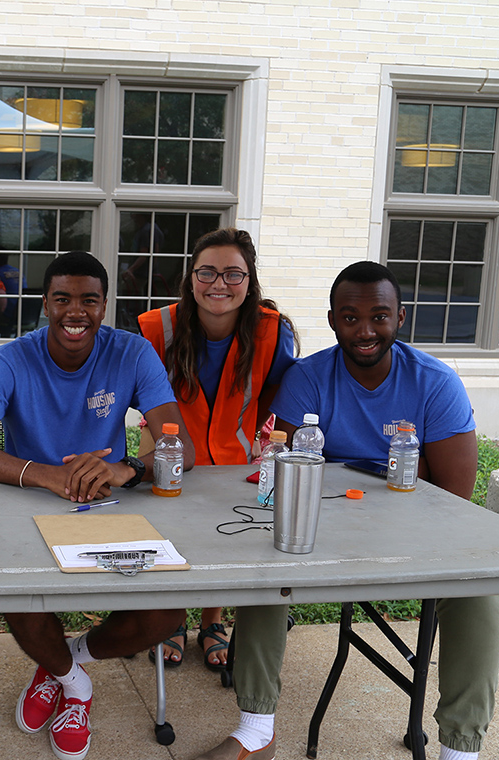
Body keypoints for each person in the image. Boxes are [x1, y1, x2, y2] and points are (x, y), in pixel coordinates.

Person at [192, 261, 493, 760]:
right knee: (267, 560)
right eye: (351, 318)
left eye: (379, 316)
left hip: (411, 529)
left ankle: (460, 750)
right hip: (326, 522)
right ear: (333, 320)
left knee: (482, 591)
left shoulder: (435, 382)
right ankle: (255, 730)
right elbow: (283, 468)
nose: (366, 330)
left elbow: (454, 501)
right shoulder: (309, 377)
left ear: (401, 316)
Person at [0, 251, 195, 760]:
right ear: (45, 305)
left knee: (166, 612)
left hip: (108, 506)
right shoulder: (11, 359)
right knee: (17, 595)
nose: (75, 311)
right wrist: (47, 475)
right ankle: (75, 687)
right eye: (62, 299)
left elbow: (180, 447)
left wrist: (128, 468)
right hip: (31, 504)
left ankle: (65, 663)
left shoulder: (132, 353)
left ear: (105, 305)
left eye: (89, 300)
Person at [137, 228, 298, 670]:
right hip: (168, 449)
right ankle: (170, 619)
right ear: (191, 278)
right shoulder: (157, 328)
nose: (219, 284)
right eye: (207, 272)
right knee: (169, 534)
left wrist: (244, 432)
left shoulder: (271, 331)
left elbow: (271, 394)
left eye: (233, 274)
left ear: (250, 282)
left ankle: (212, 619)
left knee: (225, 539)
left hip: (234, 452)